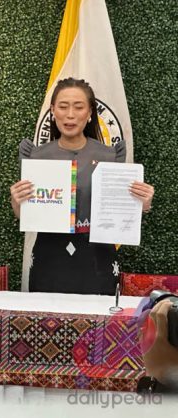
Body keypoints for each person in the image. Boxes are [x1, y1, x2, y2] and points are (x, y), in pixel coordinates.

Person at [10, 77, 153, 295]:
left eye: (78, 107)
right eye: (63, 106)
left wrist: (142, 204)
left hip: (98, 260)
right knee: (47, 315)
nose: (70, 114)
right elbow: (26, 215)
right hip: (49, 259)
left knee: (99, 317)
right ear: (52, 110)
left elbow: (120, 209)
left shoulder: (110, 156)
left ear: (89, 113)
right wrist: (17, 202)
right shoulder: (36, 157)